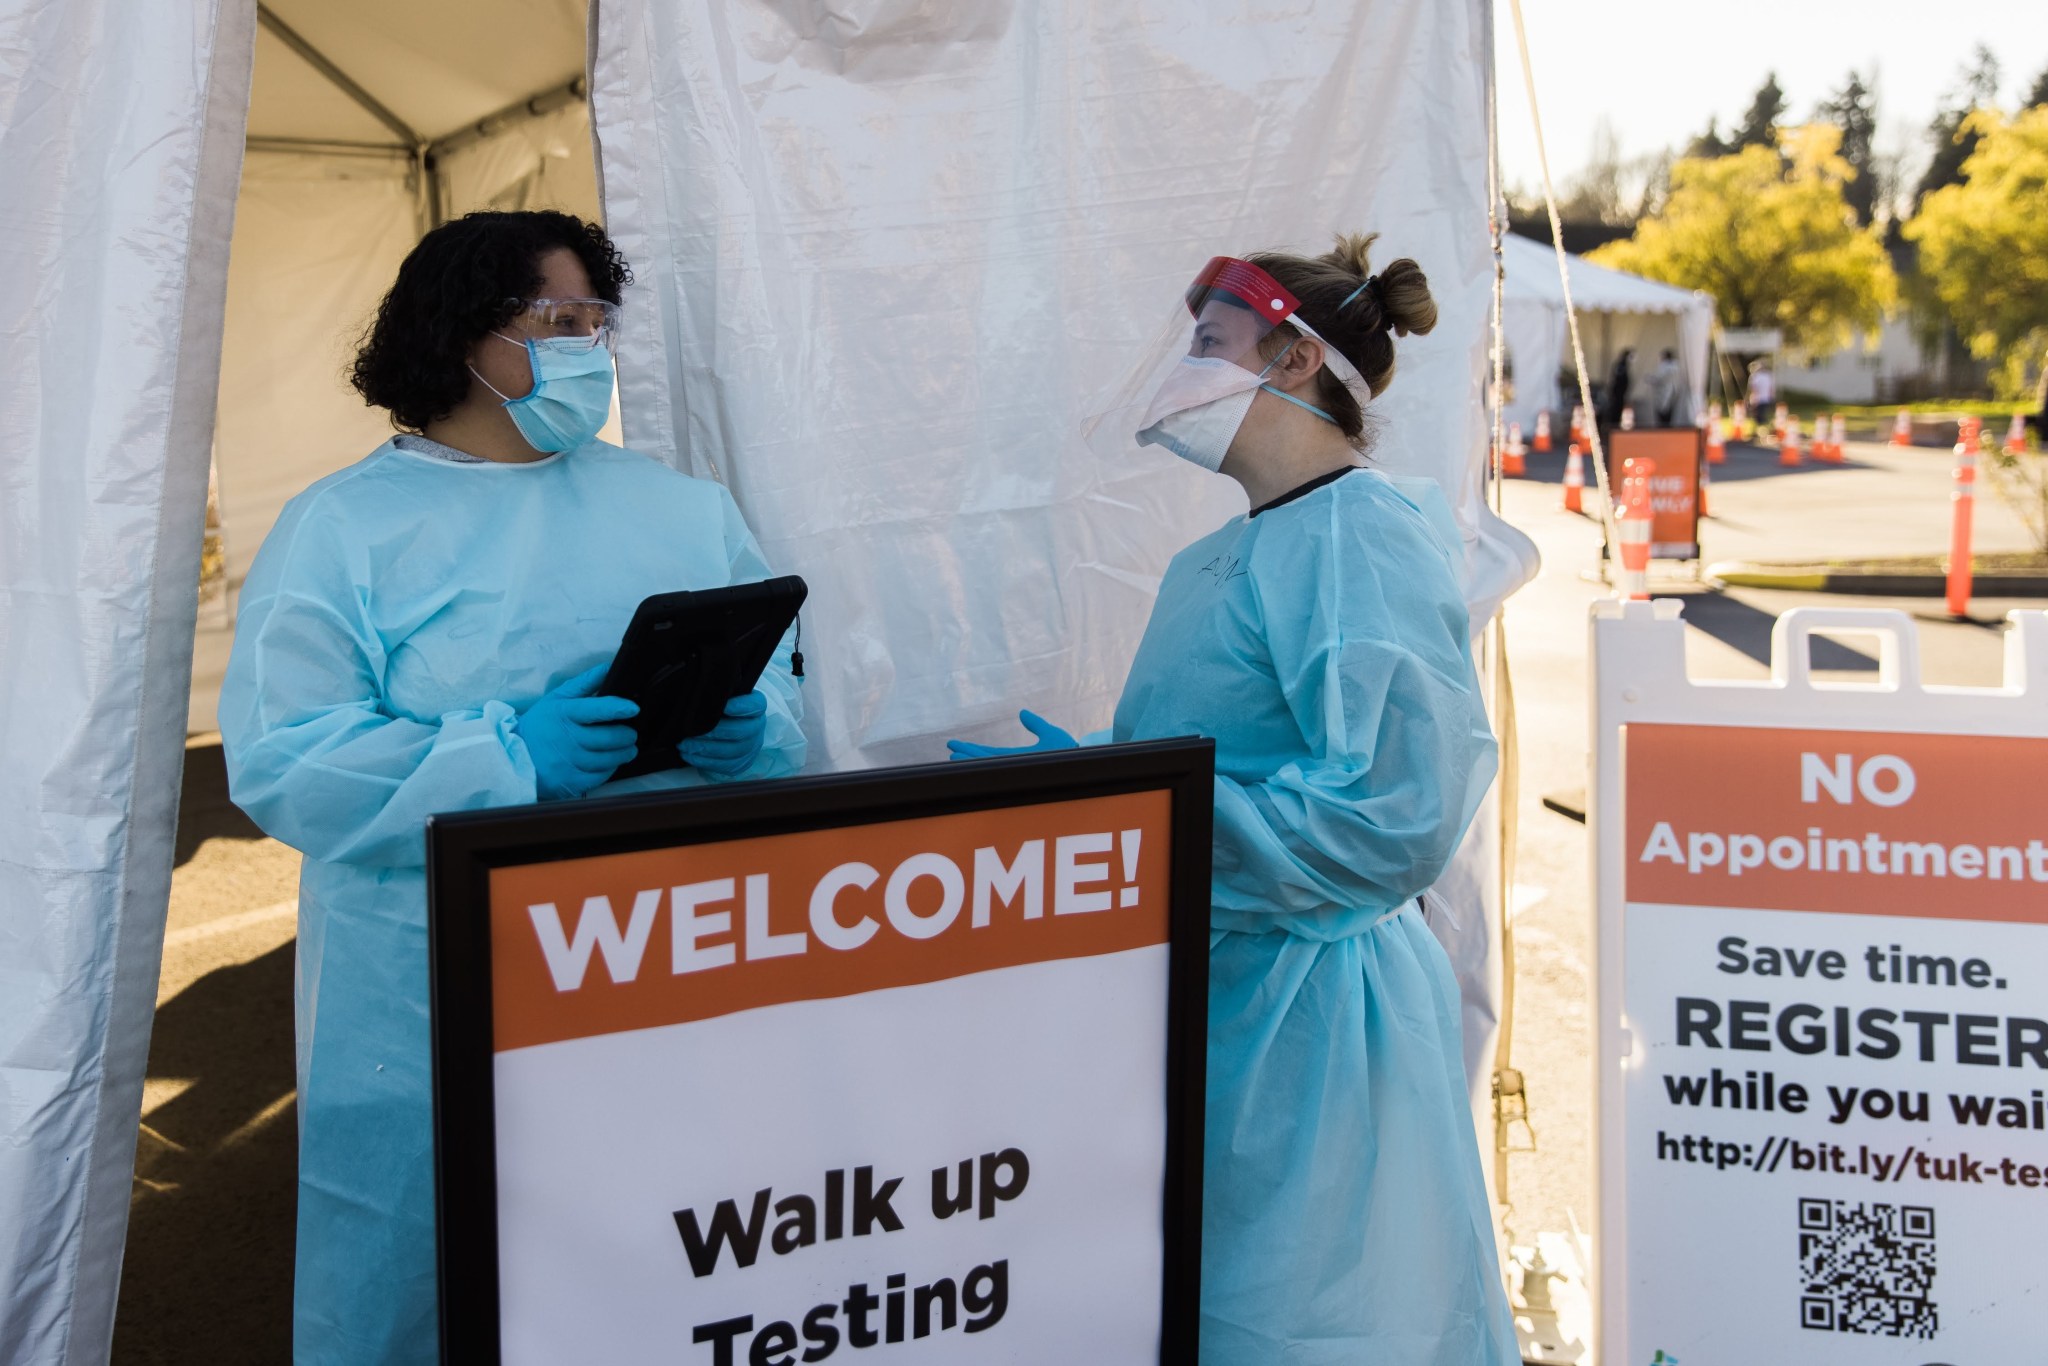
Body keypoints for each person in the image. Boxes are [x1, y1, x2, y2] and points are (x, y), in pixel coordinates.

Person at [219, 211, 806, 1364]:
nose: (589, 343)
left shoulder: (675, 509)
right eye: (557, 319)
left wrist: (758, 733)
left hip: (654, 951)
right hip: (431, 979)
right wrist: (507, 758)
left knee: (657, 1243)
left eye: (599, 319)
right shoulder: (342, 531)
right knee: (425, 1260)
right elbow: (287, 759)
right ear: (461, 332)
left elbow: (781, 675)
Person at [950, 238, 1516, 1363]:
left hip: (1317, 1023)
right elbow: (1219, 751)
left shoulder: (1358, 534)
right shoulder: (1220, 558)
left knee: (1313, 1317)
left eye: (1209, 343)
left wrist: (1148, 815)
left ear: (1295, 359)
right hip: (1228, 1004)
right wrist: (1096, 790)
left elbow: (1389, 813)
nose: (1183, 367)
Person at [1650, 347, 1683, 427]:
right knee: (1670, 413)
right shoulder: (1677, 367)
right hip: (1673, 392)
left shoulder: (1665, 367)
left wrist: (1650, 379)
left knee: (1663, 414)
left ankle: (1663, 430)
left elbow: (1659, 379)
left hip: (1664, 393)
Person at [1602, 346, 1634, 428]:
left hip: (1620, 392)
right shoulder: (1621, 365)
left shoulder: (1624, 365)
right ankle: (1613, 425)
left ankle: (1615, 424)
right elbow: (1618, 379)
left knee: (1618, 408)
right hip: (1617, 392)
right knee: (1616, 409)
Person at [1747, 358, 1776, 431]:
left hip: (1759, 399)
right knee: (1762, 414)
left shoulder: (1755, 377)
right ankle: (1763, 427)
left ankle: (1761, 428)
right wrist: (1772, 397)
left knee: (1758, 415)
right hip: (1766, 398)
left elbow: (1754, 389)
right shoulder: (1768, 376)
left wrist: (1753, 398)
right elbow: (1771, 388)